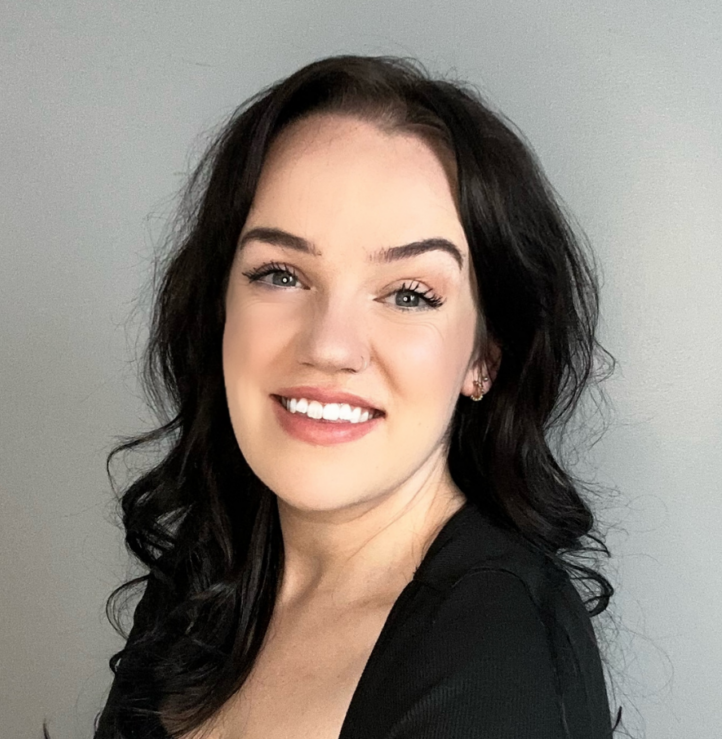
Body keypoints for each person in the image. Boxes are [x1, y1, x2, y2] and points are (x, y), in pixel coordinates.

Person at [86, 55, 621, 738]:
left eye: (409, 294)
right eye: (280, 274)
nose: (330, 345)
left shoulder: (493, 658)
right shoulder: (207, 574)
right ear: (219, 305)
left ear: (484, 356)